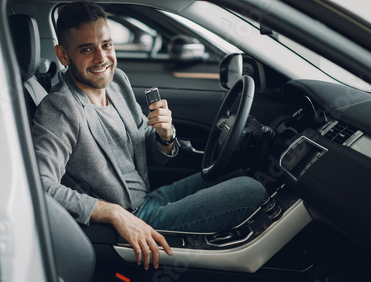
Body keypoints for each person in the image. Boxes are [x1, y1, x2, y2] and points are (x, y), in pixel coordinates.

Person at [31, 1, 268, 271]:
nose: (101, 58)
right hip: (134, 219)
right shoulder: (59, 108)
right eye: (86, 49)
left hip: (149, 197)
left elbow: (147, 145)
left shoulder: (117, 82)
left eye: (106, 45)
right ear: (63, 55)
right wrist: (111, 212)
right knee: (251, 190)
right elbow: (38, 184)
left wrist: (165, 135)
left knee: (238, 173)